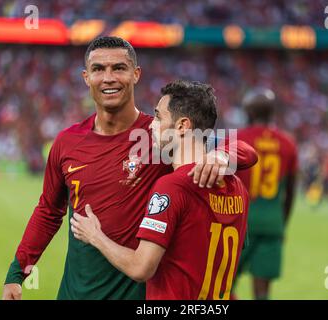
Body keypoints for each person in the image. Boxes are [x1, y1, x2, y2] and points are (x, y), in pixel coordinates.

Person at [2, 37, 257, 300]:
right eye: (98, 69)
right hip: (74, 293)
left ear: (135, 74)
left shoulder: (157, 135)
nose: (108, 77)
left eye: (119, 68)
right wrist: (17, 273)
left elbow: (245, 150)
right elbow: (48, 211)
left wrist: (222, 156)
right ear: (86, 77)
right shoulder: (68, 142)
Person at [70, 80, 251, 299]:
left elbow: (141, 268)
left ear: (183, 126)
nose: (150, 125)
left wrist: (95, 236)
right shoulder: (238, 187)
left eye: (158, 117)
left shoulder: (172, 186)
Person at [234, 88, 298, 300]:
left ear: (249, 113)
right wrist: (282, 222)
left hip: (240, 223)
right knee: (262, 293)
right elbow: (290, 192)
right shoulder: (288, 143)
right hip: (272, 224)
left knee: (222, 286)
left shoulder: (238, 139)